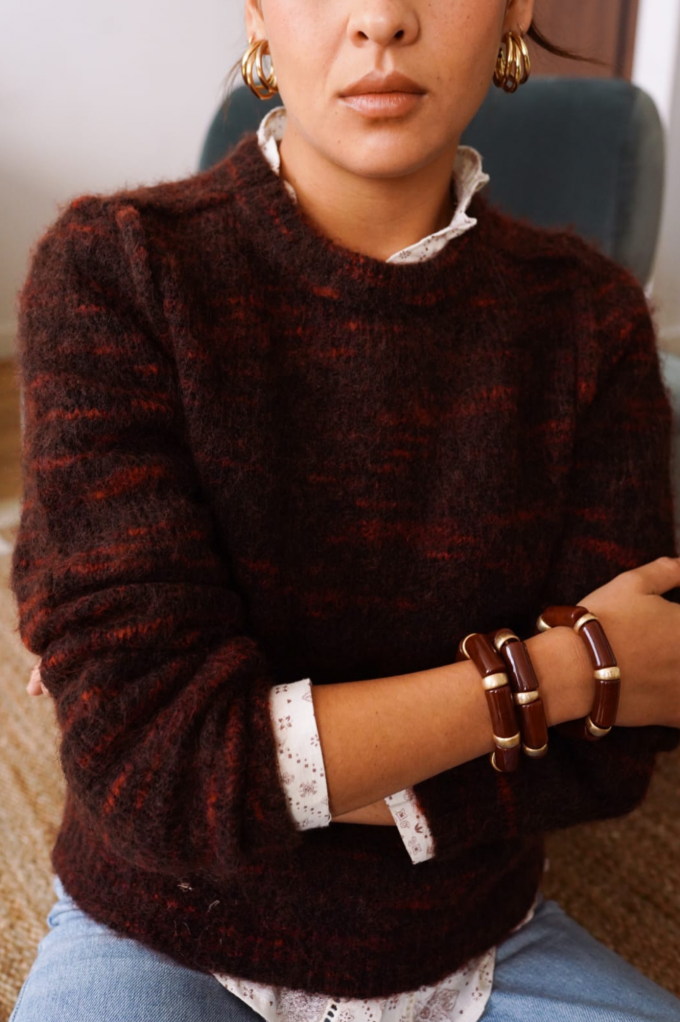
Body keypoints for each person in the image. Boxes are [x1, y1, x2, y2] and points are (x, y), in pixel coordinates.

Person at [8, 0, 680, 1019]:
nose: (380, 19)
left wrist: (224, 747)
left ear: (514, 9)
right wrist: (562, 672)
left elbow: (615, 750)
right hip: (166, 919)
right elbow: (156, 769)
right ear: (257, 13)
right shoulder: (116, 269)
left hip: (474, 932)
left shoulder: (593, 320)